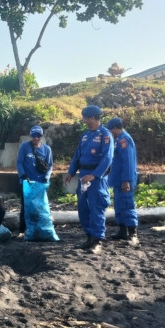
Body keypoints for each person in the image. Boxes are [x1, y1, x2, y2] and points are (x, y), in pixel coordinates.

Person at [64, 106, 113, 253]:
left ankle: (97, 240)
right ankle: (89, 237)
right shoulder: (85, 135)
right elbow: (77, 156)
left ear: (93, 118)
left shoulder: (105, 135)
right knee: (83, 207)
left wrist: (95, 175)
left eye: (86, 118)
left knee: (96, 207)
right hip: (83, 175)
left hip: (96, 177)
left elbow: (107, 158)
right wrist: (71, 172)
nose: (85, 121)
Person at [106, 117, 139, 246]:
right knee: (119, 205)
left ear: (115, 128)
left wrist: (127, 180)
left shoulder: (124, 140)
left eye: (110, 130)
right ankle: (122, 231)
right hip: (117, 179)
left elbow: (128, 162)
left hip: (124, 179)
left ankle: (133, 234)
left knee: (127, 205)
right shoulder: (118, 140)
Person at [16, 125, 54, 237]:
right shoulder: (25, 146)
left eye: (38, 136)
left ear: (41, 136)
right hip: (27, 183)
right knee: (25, 207)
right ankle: (22, 230)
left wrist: (47, 177)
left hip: (40, 183)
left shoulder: (47, 149)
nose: (36, 138)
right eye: (33, 136)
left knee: (40, 207)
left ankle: (38, 229)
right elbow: (19, 162)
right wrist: (23, 175)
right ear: (30, 136)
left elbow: (50, 165)